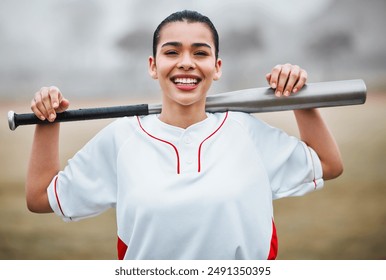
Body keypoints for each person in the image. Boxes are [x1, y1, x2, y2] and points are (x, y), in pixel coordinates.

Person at [25, 10, 343, 260]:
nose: (186, 63)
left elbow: (328, 164)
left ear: (217, 67)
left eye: (200, 53)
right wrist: (48, 120)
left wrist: (301, 98)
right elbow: (40, 197)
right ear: (153, 65)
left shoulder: (245, 131)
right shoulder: (121, 138)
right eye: (172, 52)